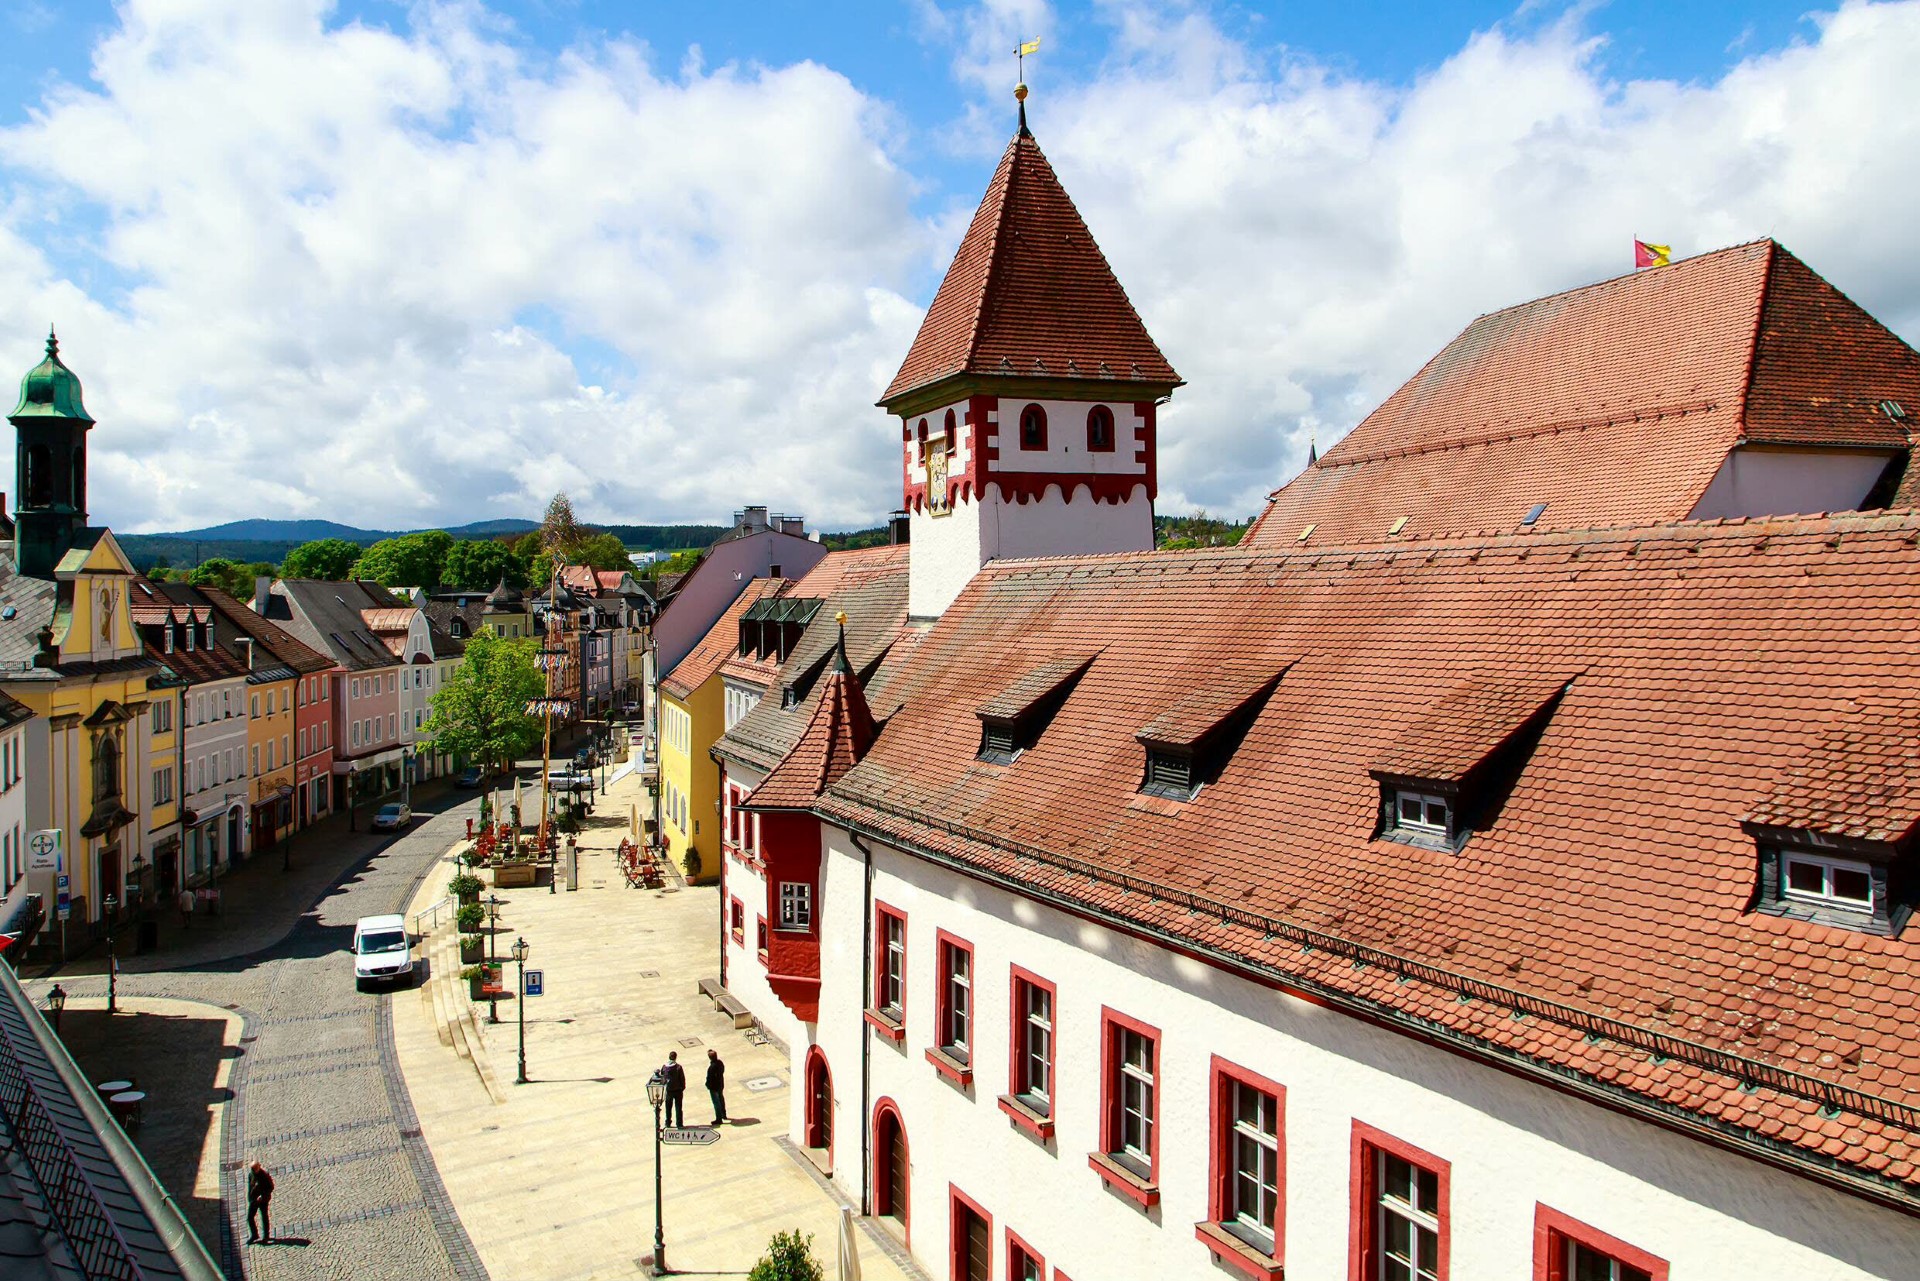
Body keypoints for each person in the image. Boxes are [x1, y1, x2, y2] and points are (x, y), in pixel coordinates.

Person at [246, 1161, 274, 1243]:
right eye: (253, 1168)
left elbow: (271, 1187)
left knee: (264, 1216)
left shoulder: (264, 1175)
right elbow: (250, 1187)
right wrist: (250, 1198)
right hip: (254, 1200)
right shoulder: (251, 1175)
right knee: (250, 1217)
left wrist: (263, 1196)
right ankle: (254, 1235)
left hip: (263, 1200)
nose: (254, 1170)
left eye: (255, 1168)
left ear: (259, 1166)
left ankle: (266, 1235)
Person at [663, 1050, 686, 1128]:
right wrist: (682, 1087)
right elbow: (682, 1078)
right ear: (675, 1058)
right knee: (678, 1107)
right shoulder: (678, 1067)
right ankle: (679, 1124)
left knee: (668, 1107)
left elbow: (662, 1077)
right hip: (678, 1090)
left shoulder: (664, 1067)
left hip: (669, 1091)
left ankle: (668, 1122)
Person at [705, 1048, 727, 1125]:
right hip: (720, 1084)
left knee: (716, 1102)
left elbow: (710, 1078)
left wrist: (707, 1085)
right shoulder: (720, 1063)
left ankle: (719, 1118)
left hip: (714, 1087)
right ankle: (724, 1114)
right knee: (721, 1099)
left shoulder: (711, 1068)